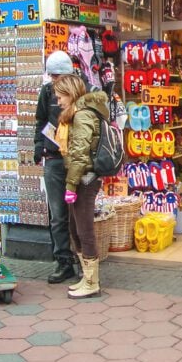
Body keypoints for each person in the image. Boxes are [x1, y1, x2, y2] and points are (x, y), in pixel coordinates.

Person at [53, 74, 109, 299]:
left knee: (84, 230)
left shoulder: (82, 115)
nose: (58, 102)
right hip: (80, 178)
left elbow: (79, 154)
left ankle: (92, 282)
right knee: (75, 228)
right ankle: (86, 277)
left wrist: (70, 185)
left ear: (70, 93)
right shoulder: (77, 113)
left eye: (60, 97)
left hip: (84, 179)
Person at [34, 51, 78, 284]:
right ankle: (63, 261)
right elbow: (41, 120)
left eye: (57, 75)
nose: (53, 80)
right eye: (51, 75)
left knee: (79, 213)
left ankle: (84, 259)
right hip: (53, 159)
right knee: (57, 214)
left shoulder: (83, 90)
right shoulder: (46, 92)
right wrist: (38, 147)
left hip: (77, 160)